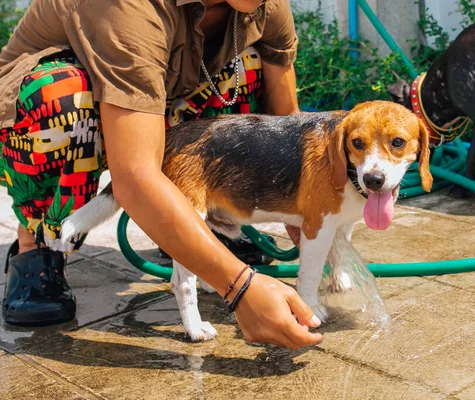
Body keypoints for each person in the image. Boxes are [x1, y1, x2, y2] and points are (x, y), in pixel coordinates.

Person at [0, 0, 322, 350]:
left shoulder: (263, 4)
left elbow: (285, 123)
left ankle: (202, 224)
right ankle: (36, 245)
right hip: (67, 100)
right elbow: (134, 177)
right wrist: (240, 287)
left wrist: (301, 203)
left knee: (245, 66)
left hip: (161, 86)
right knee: (60, 99)